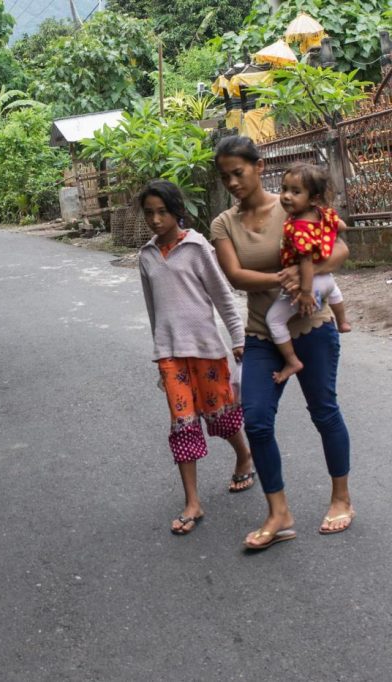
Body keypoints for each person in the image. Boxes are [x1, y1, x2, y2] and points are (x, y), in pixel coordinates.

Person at [210, 136, 354, 550]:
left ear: (258, 166)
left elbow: (340, 248)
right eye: (226, 177)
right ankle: (280, 513)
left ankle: (341, 498)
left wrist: (305, 277)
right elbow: (236, 277)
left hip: (311, 326)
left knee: (324, 411)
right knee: (255, 419)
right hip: (261, 332)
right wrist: (282, 278)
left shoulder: (292, 203)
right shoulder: (224, 223)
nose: (233, 182)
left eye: (238, 172)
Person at [137, 180, 254, 536]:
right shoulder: (146, 256)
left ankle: (244, 456)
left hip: (206, 349)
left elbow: (222, 295)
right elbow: (153, 310)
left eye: (162, 211)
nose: (156, 220)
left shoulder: (197, 246)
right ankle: (192, 501)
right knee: (183, 424)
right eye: (149, 213)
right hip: (171, 357)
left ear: (176, 211)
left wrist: (237, 339)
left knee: (220, 417)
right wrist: (160, 356)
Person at [267, 163, 352, 384]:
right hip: (328, 280)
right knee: (333, 289)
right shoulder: (323, 213)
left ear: (313, 198)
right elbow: (341, 225)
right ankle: (342, 321)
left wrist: (305, 292)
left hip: (310, 283)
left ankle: (292, 361)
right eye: (284, 188)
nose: (286, 196)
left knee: (274, 320)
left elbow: (305, 263)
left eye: (295, 192)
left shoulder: (298, 227)